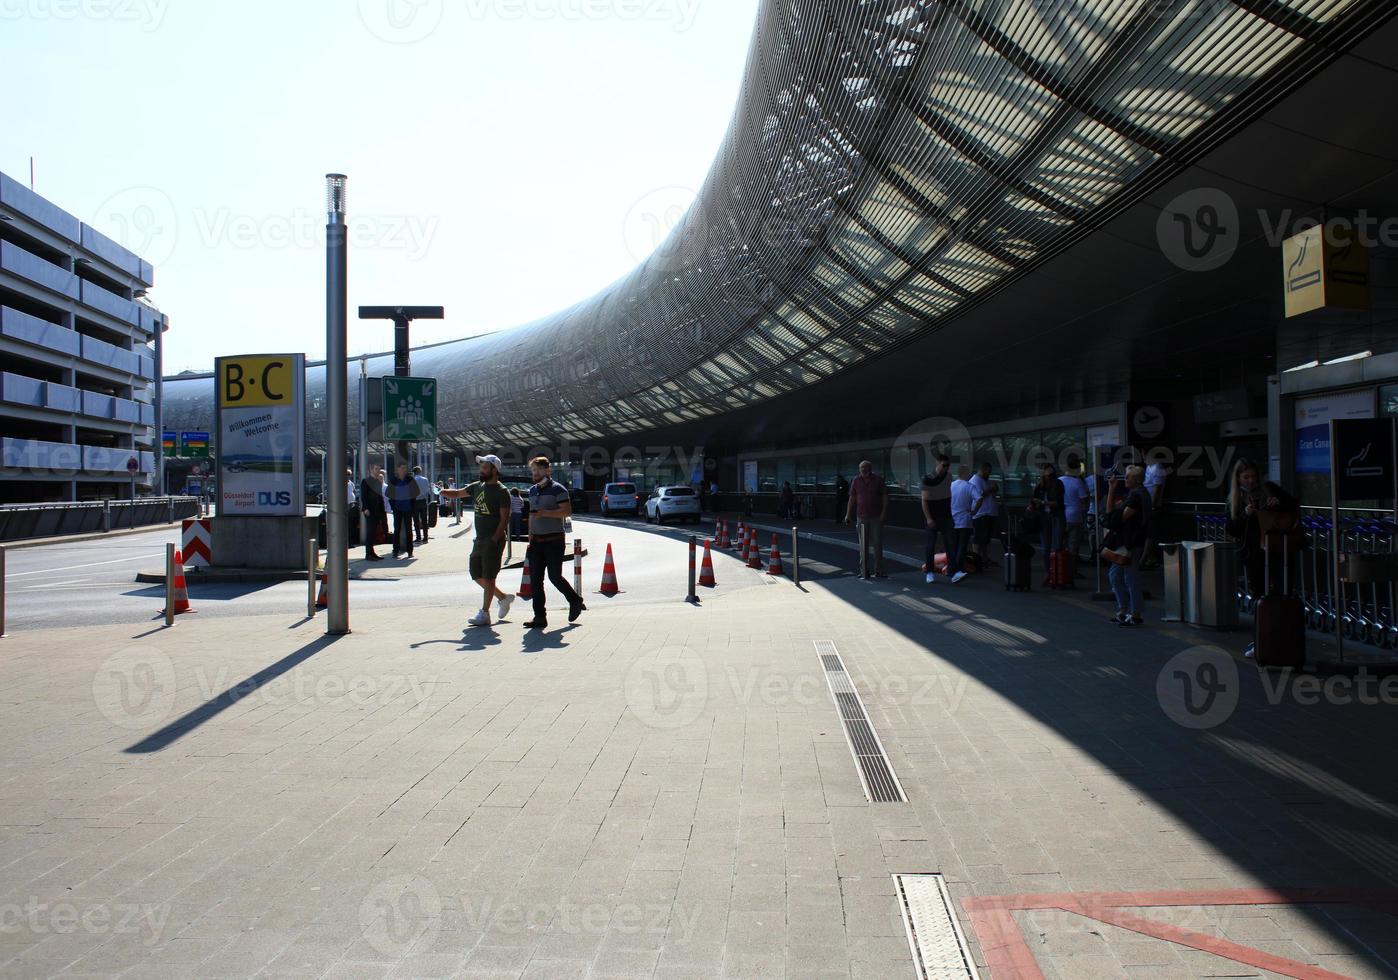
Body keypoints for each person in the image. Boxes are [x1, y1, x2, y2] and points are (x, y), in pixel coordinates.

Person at [440, 454, 515, 628]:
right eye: (481, 467)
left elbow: (505, 518)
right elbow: (458, 493)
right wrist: (444, 492)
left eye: (485, 467)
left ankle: (484, 613)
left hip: (493, 540)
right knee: (477, 574)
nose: (481, 470)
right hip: (479, 539)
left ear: (494, 470)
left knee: (489, 577)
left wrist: (495, 538)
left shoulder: (502, 491)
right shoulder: (477, 486)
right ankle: (503, 598)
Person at [1225, 458, 1300, 604]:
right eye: (1246, 477)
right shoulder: (1235, 500)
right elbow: (1231, 529)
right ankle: (1264, 622)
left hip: (1279, 548)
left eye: (1253, 476)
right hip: (1254, 553)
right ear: (1238, 479)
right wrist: (1245, 515)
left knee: (1282, 588)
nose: (1251, 481)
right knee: (1260, 592)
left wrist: (1278, 503)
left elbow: (1292, 505)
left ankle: (1281, 619)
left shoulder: (1270, 489)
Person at [522, 456, 586, 629]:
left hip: (554, 540)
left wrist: (544, 513)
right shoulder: (532, 490)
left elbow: (566, 511)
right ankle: (539, 617)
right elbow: (531, 515)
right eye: (533, 470)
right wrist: (529, 534)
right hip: (536, 542)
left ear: (548, 470)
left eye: (538, 469)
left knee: (554, 577)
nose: (535, 473)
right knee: (535, 581)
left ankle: (575, 600)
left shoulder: (559, 489)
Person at [1105, 465, 1151, 627]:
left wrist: (1112, 492)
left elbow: (1116, 518)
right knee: (1117, 575)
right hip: (1129, 542)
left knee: (1129, 577)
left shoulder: (1136, 496)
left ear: (1136, 479)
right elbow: (1113, 514)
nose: (1125, 479)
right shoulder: (1137, 494)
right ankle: (1125, 610)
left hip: (1130, 542)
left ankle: (1134, 613)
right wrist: (1112, 490)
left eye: (1128, 476)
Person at [848, 459, 888, 580]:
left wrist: (883, 514)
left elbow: (885, 497)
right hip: (861, 517)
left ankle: (879, 571)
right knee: (862, 546)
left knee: (877, 545)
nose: (863, 470)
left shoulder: (878, 480)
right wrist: (847, 514)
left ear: (870, 468)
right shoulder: (856, 480)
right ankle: (864, 571)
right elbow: (852, 498)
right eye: (861, 468)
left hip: (876, 517)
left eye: (866, 467)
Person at [1029, 463, 1065, 585]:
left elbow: (1058, 503)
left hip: (1056, 516)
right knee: (1046, 547)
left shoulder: (1058, 484)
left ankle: (1057, 574)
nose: (1048, 477)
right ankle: (1050, 574)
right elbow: (1033, 500)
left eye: (1050, 475)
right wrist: (1033, 505)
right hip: (1044, 517)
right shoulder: (1039, 486)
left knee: (1057, 545)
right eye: (1047, 475)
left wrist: (1043, 502)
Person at [921, 455, 953, 584]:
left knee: (950, 543)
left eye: (948, 466)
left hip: (945, 515)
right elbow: (924, 500)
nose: (946, 468)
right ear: (937, 463)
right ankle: (929, 571)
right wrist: (929, 518)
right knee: (931, 544)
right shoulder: (928, 478)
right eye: (944, 465)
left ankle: (953, 570)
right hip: (933, 516)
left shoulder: (949, 477)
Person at [386, 461, 420, 559]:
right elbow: (388, 493)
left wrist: (409, 496)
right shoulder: (393, 480)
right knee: (397, 530)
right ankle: (395, 551)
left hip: (408, 508)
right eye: (402, 468)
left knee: (409, 530)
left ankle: (410, 551)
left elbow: (417, 492)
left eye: (405, 468)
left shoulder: (410, 479)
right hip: (397, 508)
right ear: (398, 469)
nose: (404, 470)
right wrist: (394, 501)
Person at [1059, 462, 1090, 568]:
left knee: (1061, 544)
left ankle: (1061, 570)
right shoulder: (1077, 482)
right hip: (1075, 516)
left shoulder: (1059, 481)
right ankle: (1072, 571)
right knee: (1073, 546)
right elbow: (1084, 499)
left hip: (1061, 516)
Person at [948, 465, 974, 584]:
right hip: (965, 520)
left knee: (954, 546)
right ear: (965, 473)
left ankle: (951, 569)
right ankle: (958, 569)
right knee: (962, 546)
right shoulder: (969, 486)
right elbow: (979, 498)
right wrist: (974, 511)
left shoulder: (951, 486)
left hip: (953, 520)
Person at [969, 461, 999, 563]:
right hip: (981, 514)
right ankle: (976, 559)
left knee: (985, 539)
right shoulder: (975, 480)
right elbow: (979, 495)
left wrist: (994, 490)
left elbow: (990, 494)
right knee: (978, 537)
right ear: (983, 470)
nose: (989, 474)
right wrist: (991, 489)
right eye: (988, 472)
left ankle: (984, 558)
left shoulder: (985, 480)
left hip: (989, 513)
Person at [359, 462, 388, 562]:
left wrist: (382, 510)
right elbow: (363, 496)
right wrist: (365, 508)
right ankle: (368, 554)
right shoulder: (366, 481)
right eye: (376, 469)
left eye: (379, 469)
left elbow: (380, 496)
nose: (378, 471)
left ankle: (372, 552)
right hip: (370, 510)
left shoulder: (378, 481)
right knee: (370, 532)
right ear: (371, 470)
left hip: (378, 510)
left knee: (374, 532)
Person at [411, 465, 433, 544]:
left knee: (416, 521)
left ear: (414, 472)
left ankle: (418, 537)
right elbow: (428, 490)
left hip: (415, 502)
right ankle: (425, 537)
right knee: (424, 520)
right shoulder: (425, 479)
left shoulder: (413, 480)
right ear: (420, 471)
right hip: (423, 501)